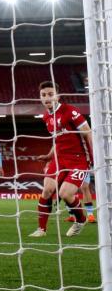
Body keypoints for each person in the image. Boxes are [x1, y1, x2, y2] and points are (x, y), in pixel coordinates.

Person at [30, 80, 93, 238]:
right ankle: (41, 229)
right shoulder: (46, 117)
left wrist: (93, 157)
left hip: (79, 160)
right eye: (43, 95)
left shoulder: (70, 111)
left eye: (51, 94)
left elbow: (88, 132)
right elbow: (57, 139)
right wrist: (49, 156)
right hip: (59, 158)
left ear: (57, 96)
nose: (47, 98)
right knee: (47, 190)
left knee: (65, 193)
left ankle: (80, 220)